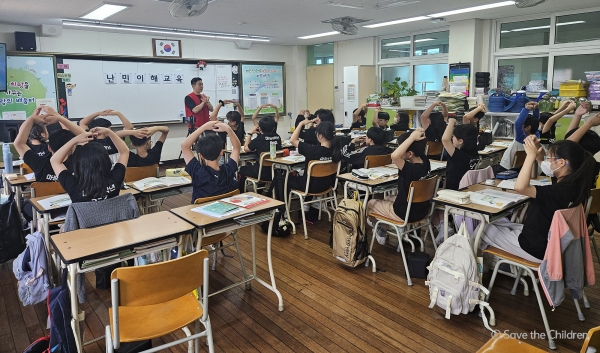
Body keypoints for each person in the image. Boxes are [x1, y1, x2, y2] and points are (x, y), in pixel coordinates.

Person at [480, 136, 595, 262]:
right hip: (551, 241)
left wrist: (529, 156)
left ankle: (485, 267)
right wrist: (537, 151)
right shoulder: (574, 185)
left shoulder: (554, 192)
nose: (546, 161)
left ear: (561, 162)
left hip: (536, 248)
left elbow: (520, 187)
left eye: (549, 158)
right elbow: (544, 164)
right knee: (499, 223)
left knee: (482, 229)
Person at [366, 129, 431, 245]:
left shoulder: (410, 169)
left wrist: (411, 138)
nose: (399, 151)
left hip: (404, 213)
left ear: (410, 154)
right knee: (387, 199)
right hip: (422, 210)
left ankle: (380, 227)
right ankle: (385, 226)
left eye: (401, 149)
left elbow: (394, 156)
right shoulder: (425, 162)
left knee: (371, 203)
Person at [51, 127, 130, 203]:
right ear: (107, 162)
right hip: (113, 217)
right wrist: (109, 132)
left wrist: (75, 140)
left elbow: (55, 161)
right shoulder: (114, 180)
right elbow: (124, 152)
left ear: (78, 164)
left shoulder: (74, 186)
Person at [14, 107, 85, 182]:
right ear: (72, 147)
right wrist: (59, 117)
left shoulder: (41, 165)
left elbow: (19, 143)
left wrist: (32, 119)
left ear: (49, 147)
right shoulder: (77, 161)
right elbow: (84, 135)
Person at [181, 120, 239, 203]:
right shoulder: (229, 170)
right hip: (226, 211)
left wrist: (203, 127)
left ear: (201, 155)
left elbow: (184, 146)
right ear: (221, 152)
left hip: (201, 213)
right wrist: (228, 129)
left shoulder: (197, 172)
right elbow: (236, 148)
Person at [289, 120, 341, 194]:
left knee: (281, 178)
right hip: (327, 186)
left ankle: (281, 204)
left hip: (309, 187)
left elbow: (292, 140)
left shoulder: (312, 150)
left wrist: (301, 123)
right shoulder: (336, 151)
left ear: (320, 136)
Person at [239, 116, 282, 192]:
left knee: (242, 169)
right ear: (273, 128)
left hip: (261, 173)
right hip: (275, 172)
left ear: (260, 128)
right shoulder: (278, 137)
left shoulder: (259, 139)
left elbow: (246, 149)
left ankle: (241, 192)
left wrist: (250, 133)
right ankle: (260, 191)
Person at [499, 101, 540, 171]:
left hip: (508, 167)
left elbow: (518, 123)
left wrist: (526, 109)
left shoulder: (521, 138)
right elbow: (536, 120)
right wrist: (536, 109)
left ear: (527, 128)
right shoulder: (536, 135)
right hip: (524, 167)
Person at [441, 117, 479, 190]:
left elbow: (445, 140)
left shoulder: (459, 156)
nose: (452, 138)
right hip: (468, 188)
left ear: (461, 141)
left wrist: (451, 122)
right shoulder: (474, 151)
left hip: (455, 191)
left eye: (453, 136)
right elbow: (471, 130)